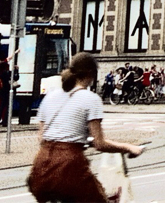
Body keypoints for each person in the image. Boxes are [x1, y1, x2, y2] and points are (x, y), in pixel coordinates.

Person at [27, 52, 142, 203]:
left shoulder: (50, 96)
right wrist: (129, 147)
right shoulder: (91, 99)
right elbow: (100, 144)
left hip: (41, 167)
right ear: (91, 74)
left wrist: (77, 139)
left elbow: (42, 137)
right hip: (69, 167)